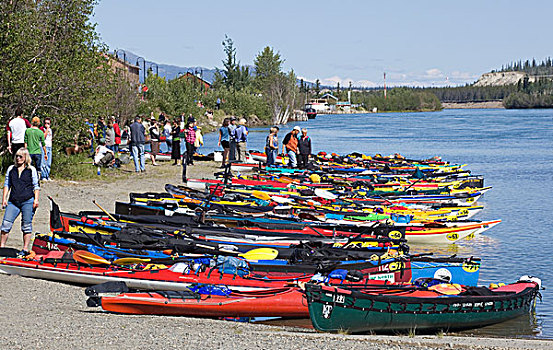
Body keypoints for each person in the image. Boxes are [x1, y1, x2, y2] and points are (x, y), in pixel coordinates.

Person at [0, 148, 40, 253]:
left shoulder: (31, 170)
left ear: (25, 158)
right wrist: (4, 199)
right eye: (17, 156)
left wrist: (36, 200)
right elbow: (7, 184)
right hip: (13, 201)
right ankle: (2, 246)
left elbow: (36, 186)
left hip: (28, 200)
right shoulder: (11, 169)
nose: (18, 158)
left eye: (20, 156)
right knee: (5, 224)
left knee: (26, 225)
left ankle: (25, 248)